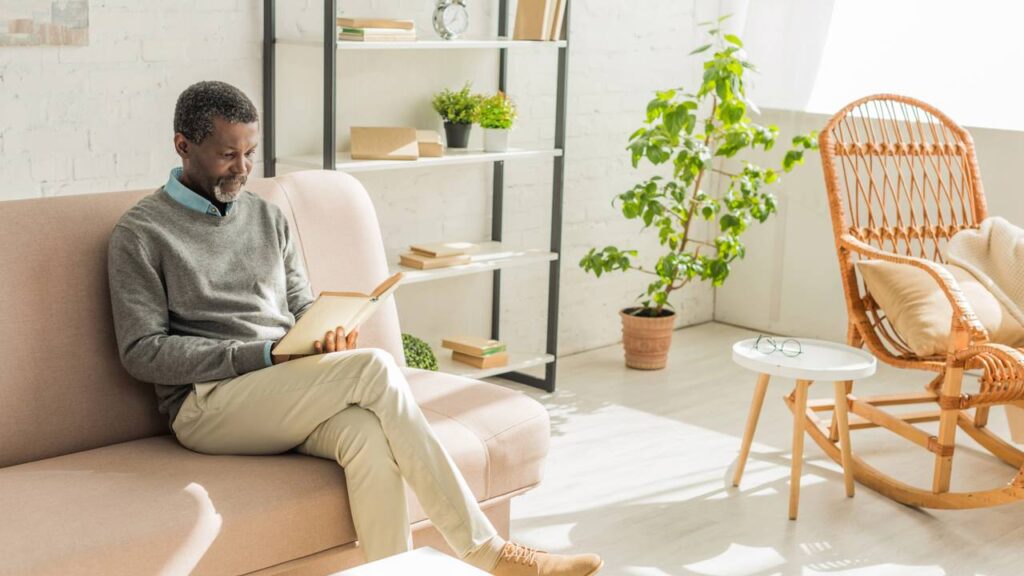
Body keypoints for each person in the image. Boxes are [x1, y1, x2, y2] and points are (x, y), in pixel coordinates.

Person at [107, 80, 603, 576]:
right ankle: (486, 552)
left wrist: (323, 333)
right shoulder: (142, 233)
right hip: (207, 405)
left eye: (251, 153)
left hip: (283, 386)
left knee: (366, 434)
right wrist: (263, 355)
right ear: (182, 145)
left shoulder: (267, 215)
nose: (243, 169)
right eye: (227, 155)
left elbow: (298, 303)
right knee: (373, 368)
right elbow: (142, 352)